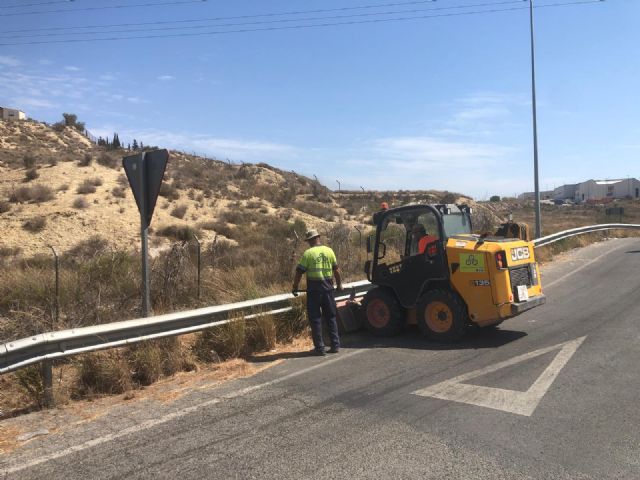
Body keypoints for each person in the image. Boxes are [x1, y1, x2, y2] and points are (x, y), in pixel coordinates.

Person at [292, 229, 343, 356]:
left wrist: (295, 286)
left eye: (309, 241)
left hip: (314, 291)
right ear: (318, 238)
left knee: (315, 319)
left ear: (310, 240)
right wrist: (339, 284)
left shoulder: (308, 253)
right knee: (331, 317)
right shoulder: (329, 251)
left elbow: (299, 272)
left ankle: (320, 348)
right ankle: (335, 345)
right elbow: (336, 270)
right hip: (328, 290)